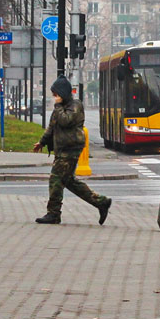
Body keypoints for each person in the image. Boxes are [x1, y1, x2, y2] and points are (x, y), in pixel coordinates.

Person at [32, 76, 111, 225]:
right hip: (63, 149)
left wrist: (58, 106)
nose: (54, 98)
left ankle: (53, 213)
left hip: (71, 148)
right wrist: (42, 142)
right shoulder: (60, 108)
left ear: (63, 94)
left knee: (55, 179)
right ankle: (101, 202)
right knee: (69, 181)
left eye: (56, 95)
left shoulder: (75, 106)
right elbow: (52, 127)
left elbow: (65, 120)